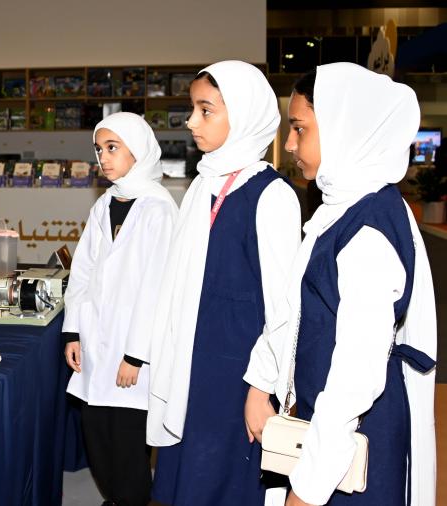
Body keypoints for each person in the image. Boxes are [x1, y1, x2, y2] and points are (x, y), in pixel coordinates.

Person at [244, 63, 437, 506]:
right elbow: (293, 311)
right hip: (327, 426)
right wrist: (262, 383)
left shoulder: (369, 229)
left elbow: (355, 375)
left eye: (299, 129)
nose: (289, 144)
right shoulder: (344, 203)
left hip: (352, 439)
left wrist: (308, 489)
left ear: (343, 128)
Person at [146, 61, 302, 506]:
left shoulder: (272, 196)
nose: (192, 121)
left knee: (225, 486)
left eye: (206, 110)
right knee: (188, 482)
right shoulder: (204, 185)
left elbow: (283, 309)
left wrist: (260, 389)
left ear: (245, 113)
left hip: (237, 376)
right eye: (192, 109)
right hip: (192, 369)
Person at [63, 112, 178, 506]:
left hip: (132, 357)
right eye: (99, 149)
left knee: (128, 447)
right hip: (96, 346)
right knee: (97, 438)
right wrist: (73, 332)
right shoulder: (105, 204)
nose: (103, 158)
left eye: (113, 148)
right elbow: (82, 271)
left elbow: (156, 291)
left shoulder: (158, 210)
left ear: (140, 150)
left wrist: (135, 355)